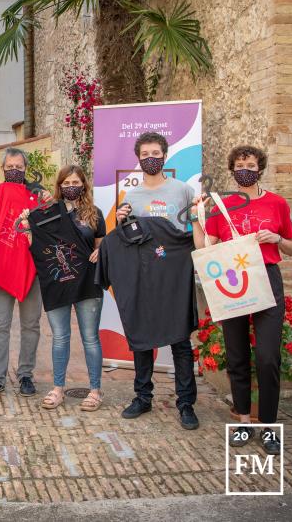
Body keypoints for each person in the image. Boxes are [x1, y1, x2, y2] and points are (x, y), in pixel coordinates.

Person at [192, 146, 292, 455]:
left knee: (267, 357)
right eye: (239, 165)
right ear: (232, 169)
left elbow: (291, 248)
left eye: (250, 164)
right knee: (237, 354)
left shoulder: (277, 203)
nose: (245, 169)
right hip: (231, 280)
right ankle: (244, 422)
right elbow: (206, 246)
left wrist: (278, 239)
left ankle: (269, 427)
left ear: (260, 167)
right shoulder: (221, 205)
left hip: (266, 278)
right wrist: (198, 218)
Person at [116, 132, 199, 430]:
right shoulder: (133, 195)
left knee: (180, 339)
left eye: (156, 152)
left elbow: (195, 226)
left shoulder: (182, 190)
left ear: (165, 155)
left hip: (175, 273)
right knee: (142, 335)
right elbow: (126, 235)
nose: (151, 157)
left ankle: (186, 402)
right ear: (138, 158)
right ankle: (143, 396)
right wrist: (120, 217)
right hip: (144, 273)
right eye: (145, 153)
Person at [19, 165, 106, 410]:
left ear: (84, 185)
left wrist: (100, 252)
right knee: (60, 337)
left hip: (87, 282)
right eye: (66, 183)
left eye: (75, 182)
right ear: (59, 186)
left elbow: (102, 245)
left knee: (90, 338)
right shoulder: (46, 213)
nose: (71, 187)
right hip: (57, 282)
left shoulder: (94, 214)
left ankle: (95, 390)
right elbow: (34, 243)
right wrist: (27, 223)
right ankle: (58, 388)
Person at [0, 147, 44, 399]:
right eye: (9, 167)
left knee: (31, 325)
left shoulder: (36, 193)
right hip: (2, 269)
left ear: (25, 168)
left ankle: (26, 374)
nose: (14, 170)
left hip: (31, 270)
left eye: (19, 167)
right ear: (2, 169)